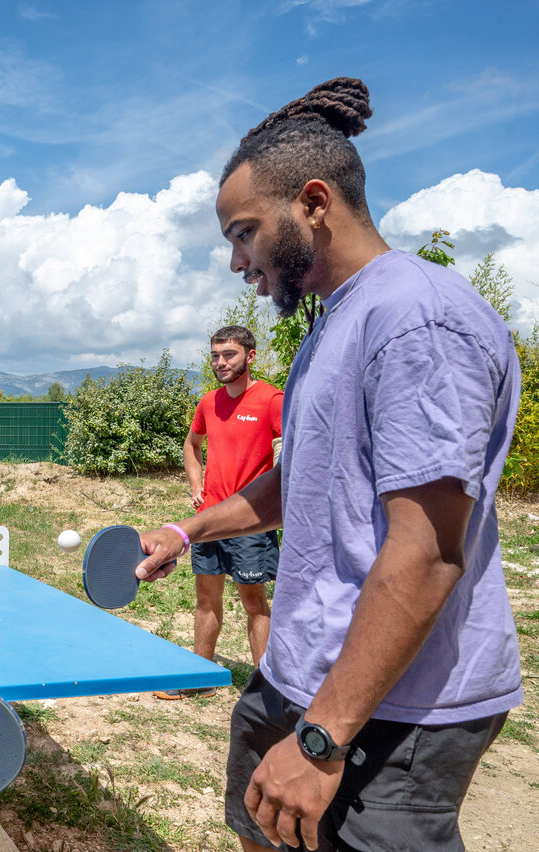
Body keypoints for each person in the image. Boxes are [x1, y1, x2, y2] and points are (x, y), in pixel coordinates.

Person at [133, 78, 521, 851]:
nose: (239, 261)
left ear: (313, 202)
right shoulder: (333, 326)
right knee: (258, 832)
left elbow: (427, 551)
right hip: (300, 668)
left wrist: (320, 741)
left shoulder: (418, 319)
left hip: (390, 705)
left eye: (244, 233)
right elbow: (300, 482)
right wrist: (189, 527)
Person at [155, 325, 282, 701]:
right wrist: (197, 485)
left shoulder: (271, 399)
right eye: (215, 355)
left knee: (254, 602)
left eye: (229, 354)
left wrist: (277, 489)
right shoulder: (209, 402)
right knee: (206, 598)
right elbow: (192, 444)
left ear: (250, 356)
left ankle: (268, 690)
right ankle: (200, 678)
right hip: (209, 520)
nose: (221, 362)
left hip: (250, 520)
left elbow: (293, 444)